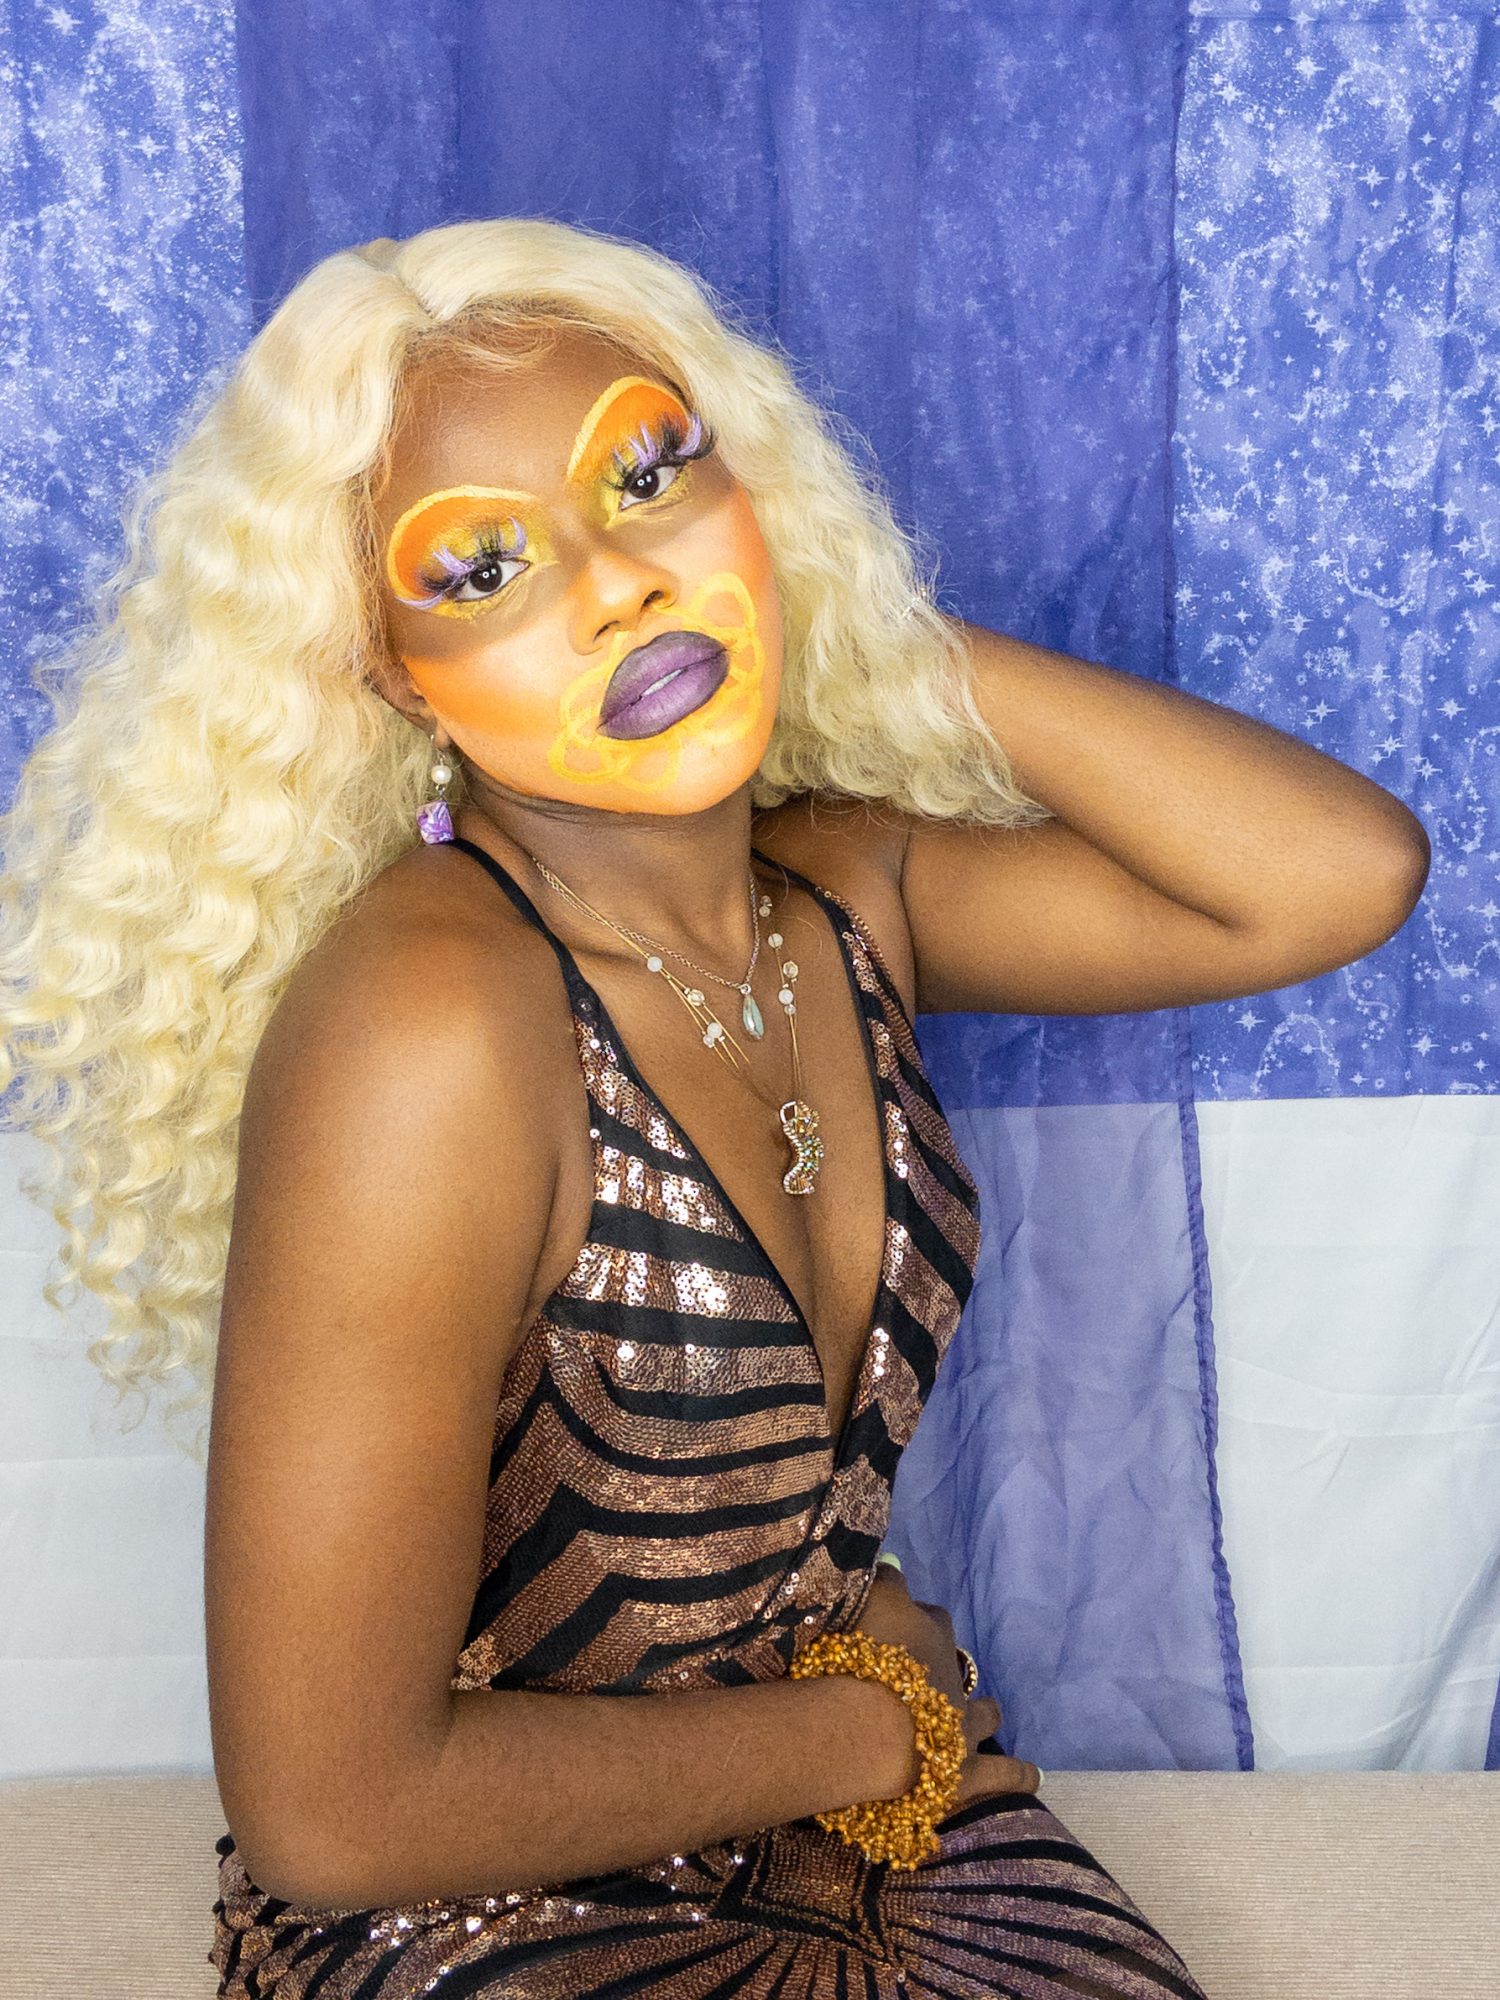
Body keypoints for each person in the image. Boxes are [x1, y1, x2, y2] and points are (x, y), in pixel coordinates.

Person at [0, 217, 1426, 1997]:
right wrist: (865, 1727)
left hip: (851, 1832)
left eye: (652, 477)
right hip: (482, 1903)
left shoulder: (841, 894)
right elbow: (333, 1814)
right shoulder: (430, 1028)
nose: (621, 588)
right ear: (389, 671)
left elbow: (1333, 876)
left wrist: (851, 611)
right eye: (484, 570)